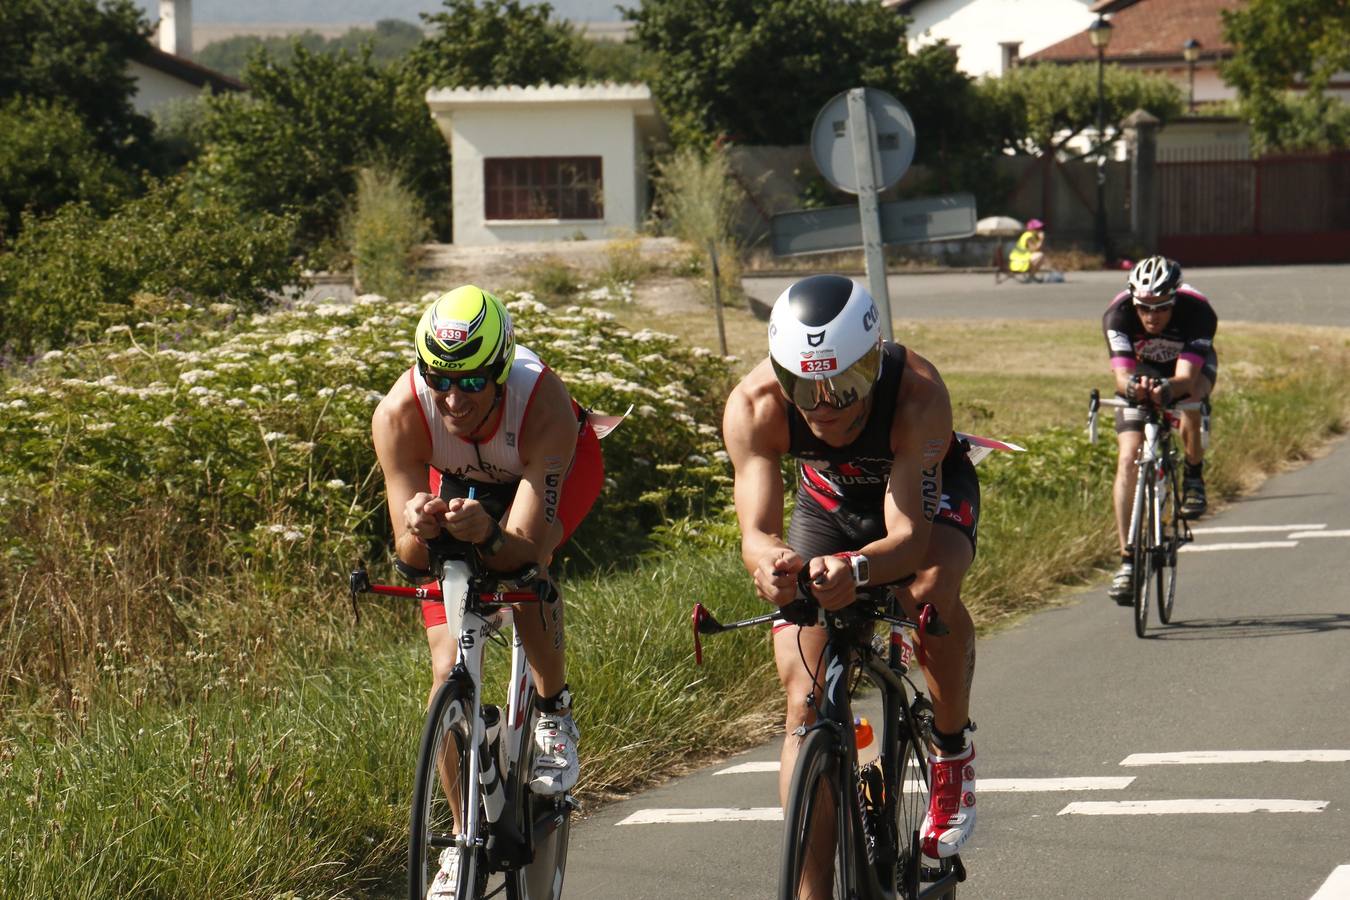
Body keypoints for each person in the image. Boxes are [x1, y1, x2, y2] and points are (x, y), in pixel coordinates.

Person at [722, 275, 982, 889]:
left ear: (871, 362)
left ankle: (950, 750)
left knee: (927, 596)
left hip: (924, 503)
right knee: (804, 704)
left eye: (844, 386)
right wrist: (774, 566)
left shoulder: (917, 393)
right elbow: (755, 534)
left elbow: (909, 538)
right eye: (805, 388)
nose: (825, 406)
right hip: (828, 508)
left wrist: (859, 570)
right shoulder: (755, 404)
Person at [372, 285, 603, 897]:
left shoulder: (541, 401)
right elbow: (408, 552)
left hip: (551, 467)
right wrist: (422, 525)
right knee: (445, 667)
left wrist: (493, 537)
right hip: (461, 483)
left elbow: (525, 542)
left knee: (524, 575)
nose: (454, 399)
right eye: (440, 378)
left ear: (501, 371)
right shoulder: (399, 414)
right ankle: (457, 836)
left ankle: (553, 710)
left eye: (473, 382)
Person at [1102, 256, 1218, 603]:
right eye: (1144, 308)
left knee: (1191, 399)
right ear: (1132, 301)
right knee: (1127, 459)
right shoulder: (1117, 314)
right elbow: (1121, 378)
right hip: (1143, 368)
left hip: (1187, 369)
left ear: (1175, 299)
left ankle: (1194, 475)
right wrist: (1136, 389)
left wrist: (1169, 391)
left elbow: (1185, 379)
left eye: (1162, 308)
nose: (1152, 316)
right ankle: (1127, 561)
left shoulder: (1198, 312)